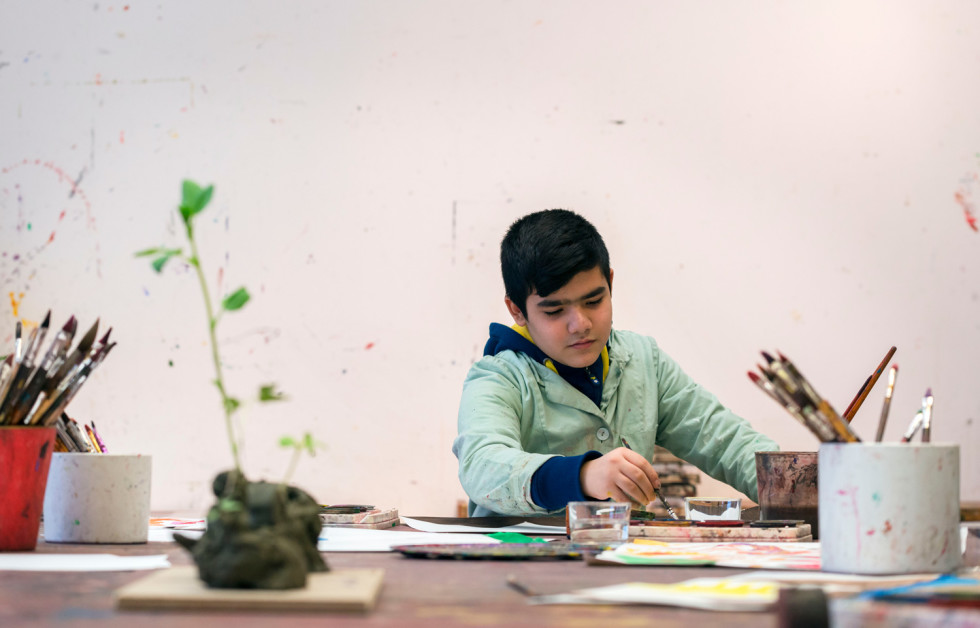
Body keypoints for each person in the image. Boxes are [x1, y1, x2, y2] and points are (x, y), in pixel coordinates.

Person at [453, 209, 779, 517]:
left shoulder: (643, 361)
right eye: (554, 311)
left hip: (620, 563)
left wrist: (801, 486)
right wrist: (582, 476)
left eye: (594, 300)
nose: (580, 324)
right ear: (517, 311)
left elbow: (724, 441)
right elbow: (482, 465)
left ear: (610, 282)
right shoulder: (498, 379)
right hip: (522, 566)